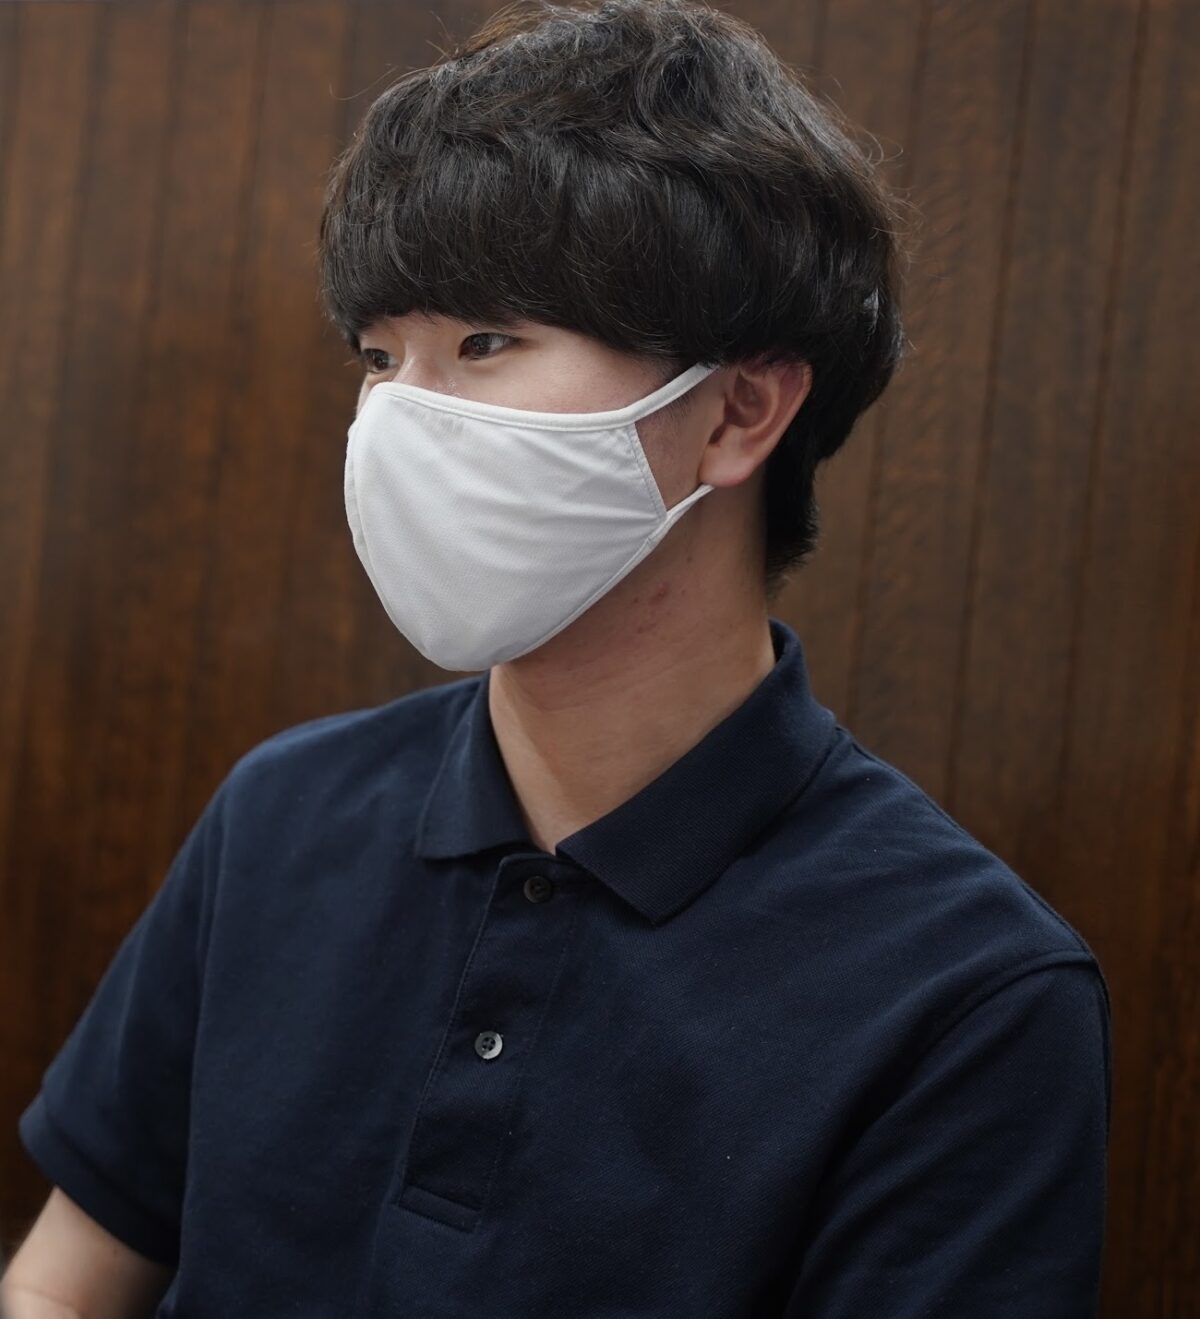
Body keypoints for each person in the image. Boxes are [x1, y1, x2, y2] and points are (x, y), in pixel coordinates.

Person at [2, 0, 1111, 1315]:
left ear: (739, 410)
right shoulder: (283, 815)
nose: (400, 421)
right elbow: (62, 1284)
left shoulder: (968, 994)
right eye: (379, 358)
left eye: (485, 342)